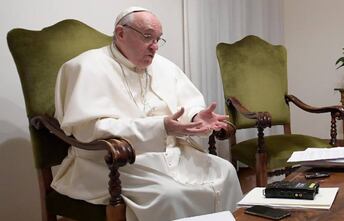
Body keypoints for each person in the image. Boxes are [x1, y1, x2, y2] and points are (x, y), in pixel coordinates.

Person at [51, 6, 243, 221]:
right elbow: (88, 129)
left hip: (172, 155)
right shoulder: (85, 67)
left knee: (225, 171)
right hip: (115, 162)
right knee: (171, 195)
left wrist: (195, 117)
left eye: (158, 39)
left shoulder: (164, 67)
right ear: (121, 33)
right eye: (147, 37)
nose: (154, 47)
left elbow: (186, 106)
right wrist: (161, 127)